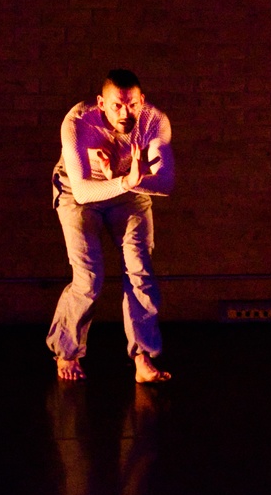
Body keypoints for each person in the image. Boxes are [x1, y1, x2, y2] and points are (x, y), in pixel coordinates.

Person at [46, 69, 175, 384]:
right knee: (88, 277)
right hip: (79, 193)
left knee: (140, 271)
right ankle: (66, 351)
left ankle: (142, 357)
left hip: (129, 190)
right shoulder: (78, 121)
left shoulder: (154, 121)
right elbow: (82, 192)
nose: (125, 113)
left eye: (132, 105)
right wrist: (127, 180)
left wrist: (130, 181)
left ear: (141, 101)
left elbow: (166, 183)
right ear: (101, 103)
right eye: (117, 106)